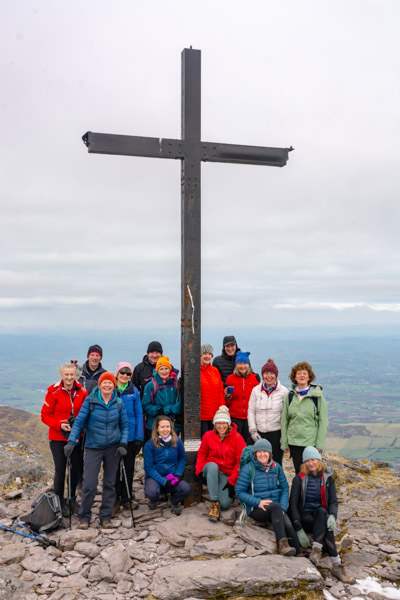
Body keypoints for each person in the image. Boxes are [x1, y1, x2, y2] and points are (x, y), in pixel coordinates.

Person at [64, 372, 128, 529]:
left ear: (114, 386)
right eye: (104, 383)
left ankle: (105, 516)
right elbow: (78, 422)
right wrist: (71, 441)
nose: (107, 385)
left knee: (110, 483)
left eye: (110, 383)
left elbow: (125, 426)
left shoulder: (118, 403)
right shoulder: (90, 401)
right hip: (93, 447)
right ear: (99, 385)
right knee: (89, 484)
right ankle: (84, 516)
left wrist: (123, 444)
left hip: (113, 447)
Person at [288, 446, 355, 583]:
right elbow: (293, 505)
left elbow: (333, 501)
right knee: (325, 526)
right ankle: (336, 565)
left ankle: (317, 550)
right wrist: (298, 528)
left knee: (323, 513)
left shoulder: (328, 477)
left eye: (313, 460)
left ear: (318, 460)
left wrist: (333, 516)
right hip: (304, 517)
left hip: (320, 515)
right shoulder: (298, 479)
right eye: (307, 461)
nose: (310, 463)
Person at [235, 438, 299, 556]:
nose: (262, 454)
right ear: (255, 454)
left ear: (270, 453)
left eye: (265, 451)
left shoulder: (277, 467)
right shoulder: (248, 469)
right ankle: (282, 545)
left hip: (276, 508)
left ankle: (298, 554)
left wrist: (283, 507)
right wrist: (257, 502)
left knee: (289, 526)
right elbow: (239, 491)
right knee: (275, 507)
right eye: (259, 452)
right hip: (257, 509)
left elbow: (285, 488)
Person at [41, 362, 87, 516]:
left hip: (76, 436)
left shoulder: (82, 391)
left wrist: (78, 422)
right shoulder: (53, 392)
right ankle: (59, 501)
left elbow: (86, 413)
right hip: (57, 437)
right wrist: (59, 424)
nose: (69, 377)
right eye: (66, 374)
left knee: (74, 469)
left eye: (71, 374)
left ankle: (72, 499)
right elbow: (45, 415)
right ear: (61, 375)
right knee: (60, 470)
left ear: (76, 375)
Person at [195, 405, 246, 522]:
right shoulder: (208, 436)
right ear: (214, 424)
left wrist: (232, 481)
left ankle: (219, 500)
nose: (221, 426)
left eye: (224, 423)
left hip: (227, 473)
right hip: (212, 469)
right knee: (213, 466)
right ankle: (214, 504)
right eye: (218, 423)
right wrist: (199, 470)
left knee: (224, 505)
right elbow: (201, 454)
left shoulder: (237, 438)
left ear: (228, 424)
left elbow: (240, 462)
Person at [281, 361, 328, 474]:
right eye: (299, 373)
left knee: (313, 473)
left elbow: (323, 421)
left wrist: (320, 444)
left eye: (304, 373)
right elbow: (284, 420)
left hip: (310, 442)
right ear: (294, 377)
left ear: (309, 377)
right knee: (299, 472)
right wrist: (284, 442)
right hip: (294, 442)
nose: (302, 376)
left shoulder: (317, 396)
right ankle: (301, 492)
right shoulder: (290, 396)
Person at [113, 362, 144, 515]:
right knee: (112, 470)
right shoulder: (110, 389)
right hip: (113, 437)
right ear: (117, 373)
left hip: (131, 436)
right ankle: (114, 500)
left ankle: (126, 498)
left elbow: (139, 414)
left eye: (128, 373)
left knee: (129, 468)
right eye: (122, 372)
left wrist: (139, 437)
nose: (125, 376)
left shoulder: (134, 391)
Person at [143, 415, 191, 515]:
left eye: (168, 426)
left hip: (172, 476)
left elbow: (182, 459)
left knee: (186, 488)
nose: (165, 429)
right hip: (156, 477)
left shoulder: (177, 441)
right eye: (162, 427)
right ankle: (155, 498)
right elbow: (149, 468)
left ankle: (174, 501)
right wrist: (164, 481)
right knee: (151, 492)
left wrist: (178, 474)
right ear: (157, 429)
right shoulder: (149, 444)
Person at [247, 359, 289, 466]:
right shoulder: (256, 390)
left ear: (276, 375)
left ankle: (276, 482)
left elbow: (286, 415)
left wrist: (284, 436)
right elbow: (251, 410)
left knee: (276, 464)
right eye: (266, 373)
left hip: (276, 433)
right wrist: (252, 431)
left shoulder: (284, 391)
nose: (268, 376)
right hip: (258, 433)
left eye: (272, 373)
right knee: (256, 463)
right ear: (262, 375)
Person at [224, 351, 259, 444]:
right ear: (236, 365)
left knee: (249, 443)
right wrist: (227, 397)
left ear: (248, 365)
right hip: (235, 417)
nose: (242, 366)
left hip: (250, 418)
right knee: (235, 442)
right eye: (240, 363)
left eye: (245, 363)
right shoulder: (230, 379)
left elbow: (258, 399)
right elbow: (227, 402)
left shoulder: (254, 378)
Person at [142, 356, 181, 437]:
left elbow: (180, 404)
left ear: (170, 369)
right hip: (154, 425)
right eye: (161, 369)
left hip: (172, 425)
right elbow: (146, 406)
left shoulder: (176, 384)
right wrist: (159, 410)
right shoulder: (150, 385)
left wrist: (166, 409)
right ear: (157, 370)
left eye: (166, 368)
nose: (164, 371)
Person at [200, 344, 225, 436]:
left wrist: (222, 410)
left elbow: (220, 391)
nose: (207, 356)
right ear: (200, 355)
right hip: (201, 416)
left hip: (215, 415)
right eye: (205, 353)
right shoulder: (195, 371)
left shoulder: (215, 371)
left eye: (209, 354)